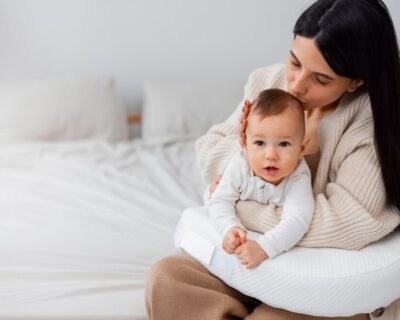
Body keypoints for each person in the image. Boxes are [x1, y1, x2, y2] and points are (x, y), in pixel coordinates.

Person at [146, 0, 400, 319]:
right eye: (294, 62)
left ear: (356, 81)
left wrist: (240, 206)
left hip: (317, 273)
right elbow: (210, 147)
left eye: (320, 80)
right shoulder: (267, 83)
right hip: (251, 255)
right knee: (168, 279)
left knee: (272, 317)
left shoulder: (370, 122)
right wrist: (245, 159)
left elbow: (350, 221)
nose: (296, 84)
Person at [207, 88, 314, 269]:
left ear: (301, 149)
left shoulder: (298, 176)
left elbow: (298, 219)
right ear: (245, 143)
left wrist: (264, 247)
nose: (270, 155)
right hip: (220, 198)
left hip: (262, 237)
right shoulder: (241, 164)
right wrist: (229, 228)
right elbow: (220, 202)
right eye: (259, 143)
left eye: (284, 144)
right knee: (211, 196)